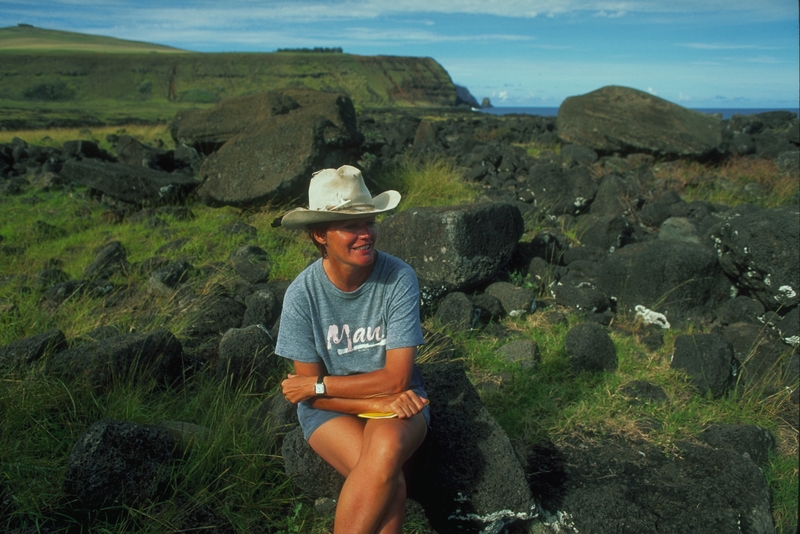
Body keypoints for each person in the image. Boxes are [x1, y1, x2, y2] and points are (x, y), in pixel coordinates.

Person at [276, 165, 429, 534]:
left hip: (401, 400)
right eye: (351, 226)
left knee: (387, 448)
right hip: (335, 410)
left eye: (369, 222)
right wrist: (371, 403)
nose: (366, 235)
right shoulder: (302, 295)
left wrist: (319, 386)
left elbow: (396, 379)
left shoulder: (398, 278)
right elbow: (311, 399)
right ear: (319, 235)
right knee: (391, 485)